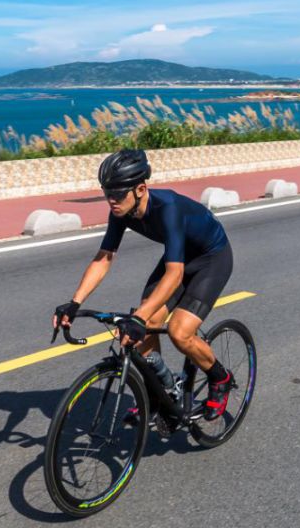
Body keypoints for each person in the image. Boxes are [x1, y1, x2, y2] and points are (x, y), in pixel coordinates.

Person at [52, 148, 235, 420]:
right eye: (107, 193)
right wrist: (74, 303)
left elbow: (174, 275)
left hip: (210, 259)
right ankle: (162, 389)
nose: (111, 200)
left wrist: (139, 317)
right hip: (178, 258)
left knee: (178, 331)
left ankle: (220, 378)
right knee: (143, 327)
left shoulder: (168, 209)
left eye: (118, 194)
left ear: (140, 189)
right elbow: (104, 258)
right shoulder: (120, 212)